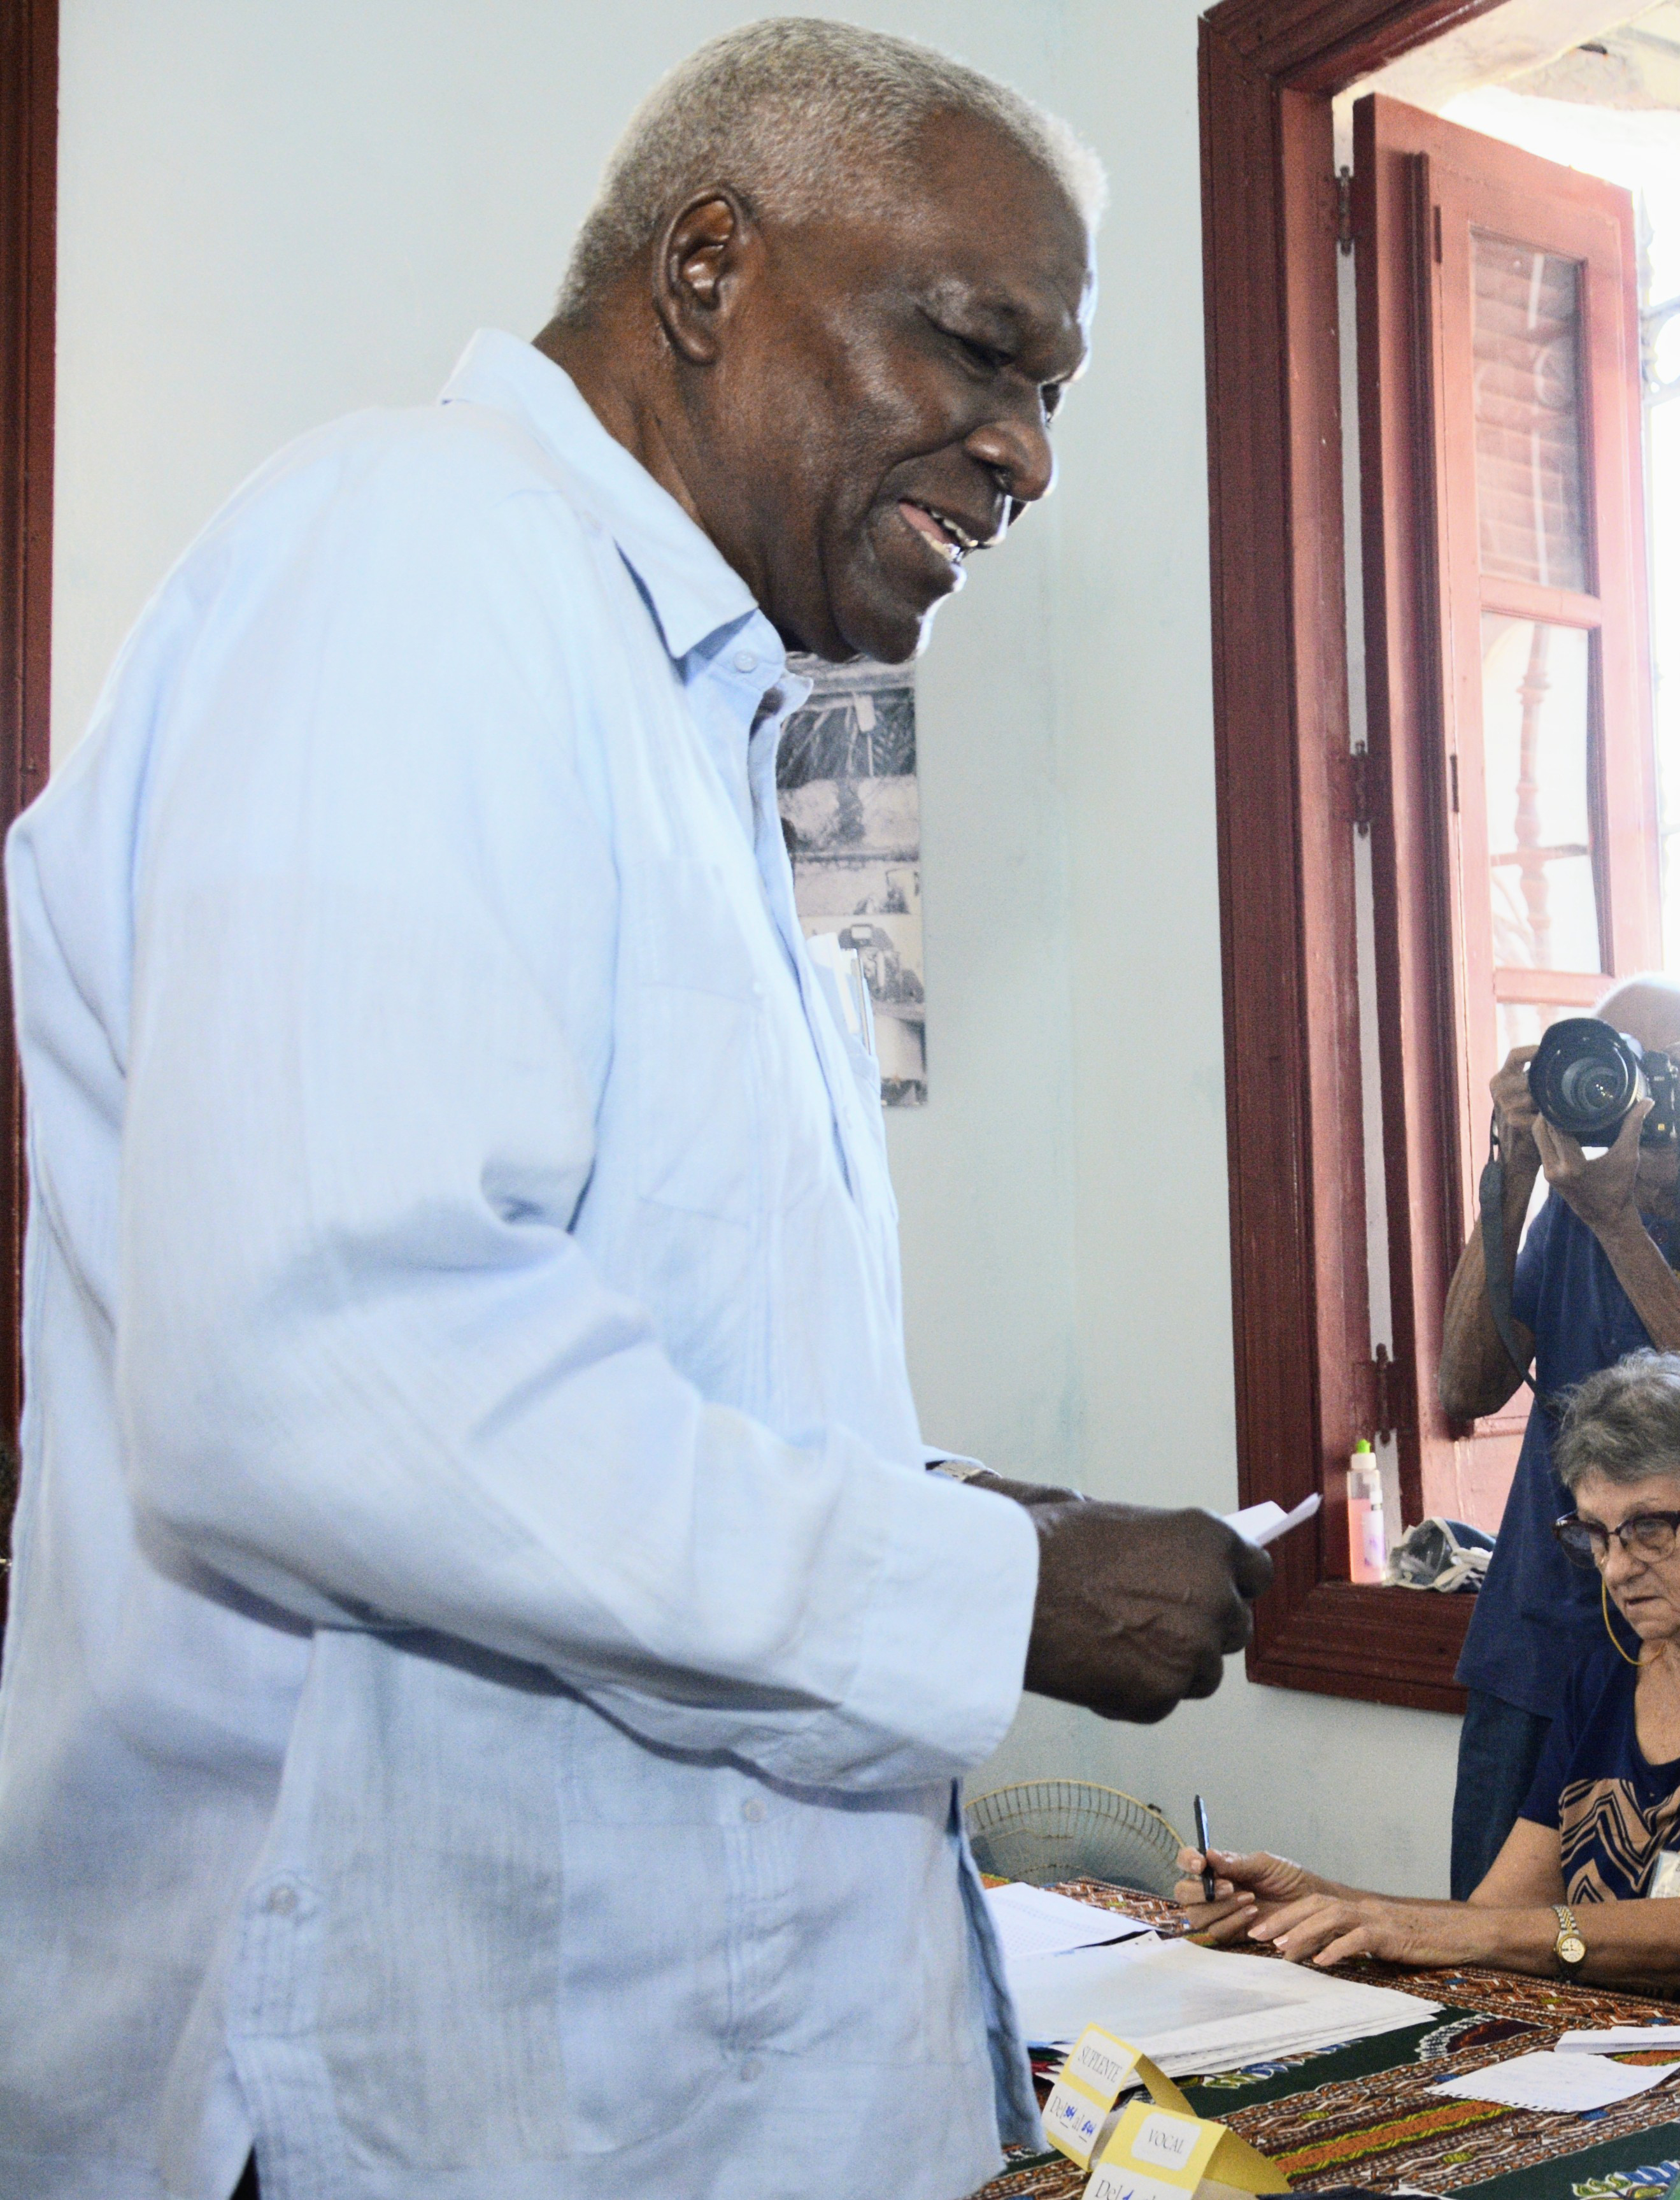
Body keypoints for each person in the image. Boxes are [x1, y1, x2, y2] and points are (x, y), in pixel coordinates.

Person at [0, 24, 1272, 2199]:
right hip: (425, 2109)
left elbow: (583, 1365)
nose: (1031, 458)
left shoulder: (669, 700)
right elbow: (332, 1375)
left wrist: (949, 1491)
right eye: (984, 351)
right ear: (708, 264)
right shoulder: (424, 561)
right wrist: (992, 1588)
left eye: (1054, 390)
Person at [1183, 1351, 1680, 2033]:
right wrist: (1319, 1901)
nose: (1618, 1567)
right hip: (1618, 2062)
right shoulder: (1603, 1674)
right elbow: (1497, 1914)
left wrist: (1460, 1929)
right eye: (1597, 1533)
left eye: (1649, 1529)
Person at [1439, 975, 1680, 1897]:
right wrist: (1516, 1171)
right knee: (1481, 1952)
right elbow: (1465, 1384)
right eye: (1632, 1072)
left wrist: (1618, 1222)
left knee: (1662, 1946)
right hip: (1536, 1647)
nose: (1658, 1097)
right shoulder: (1569, 1217)